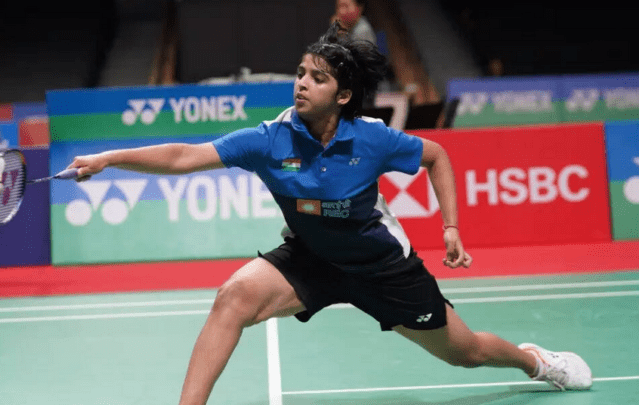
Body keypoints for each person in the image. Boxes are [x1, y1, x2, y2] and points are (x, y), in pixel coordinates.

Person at [67, 23, 593, 405]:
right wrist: (110, 158)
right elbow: (185, 156)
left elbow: (436, 156)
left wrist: (450, 226)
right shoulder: (269, 139)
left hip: (382, 267)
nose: (301, 83)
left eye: (316, 78)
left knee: (466, 352)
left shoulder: (372, 138)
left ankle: (535, 362)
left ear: (342, 95)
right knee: (233, 297)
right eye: (300, 73)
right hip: (313, 258)